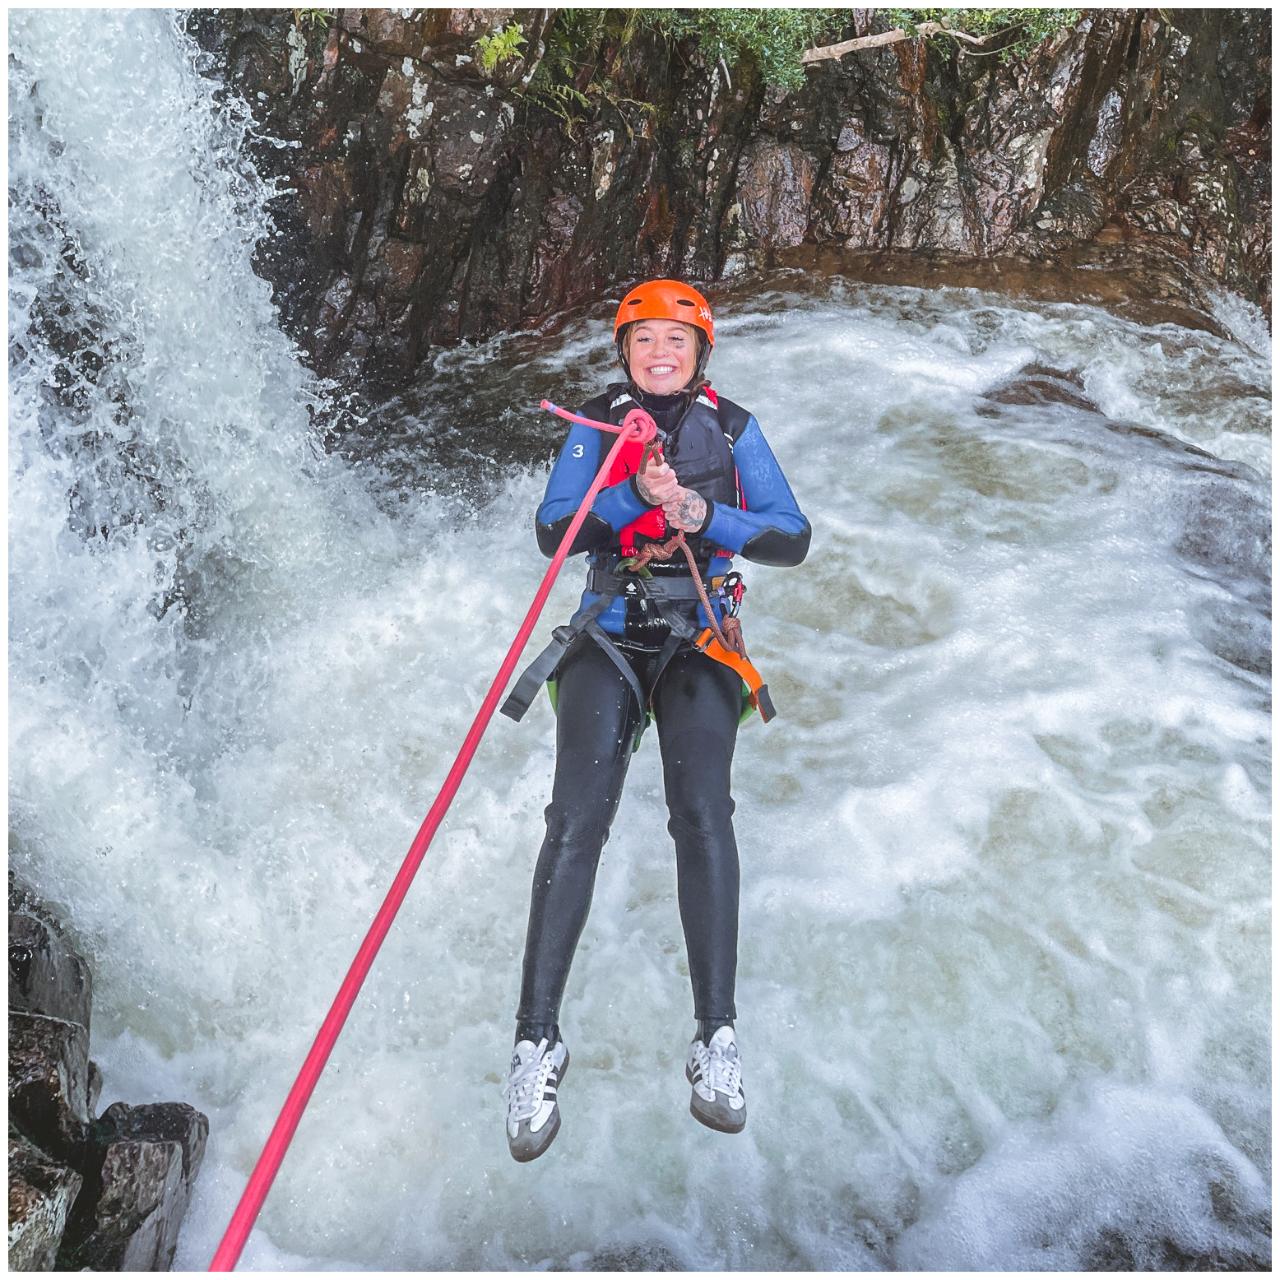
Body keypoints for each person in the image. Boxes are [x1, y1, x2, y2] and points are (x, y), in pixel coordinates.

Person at [501, 279, 810, 1162]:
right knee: (574, 821)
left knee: (703, 814)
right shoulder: (598, 425)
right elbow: (553, 525)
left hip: (700, 633)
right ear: (626, 353)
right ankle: (536, 1041)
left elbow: (792, 534)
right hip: (610, 633)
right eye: (644, 342)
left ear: (699, 354)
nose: (659, 354)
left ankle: (716, 1037)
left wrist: (708, 513)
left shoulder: (736, 429)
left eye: (676, 340)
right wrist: (636, 499)